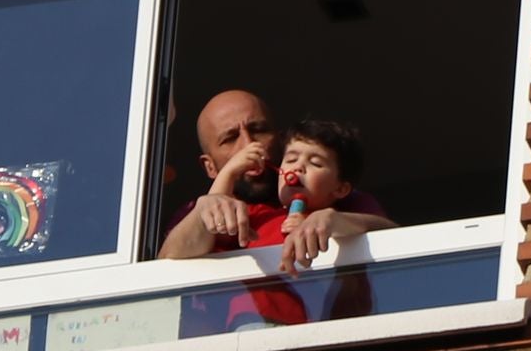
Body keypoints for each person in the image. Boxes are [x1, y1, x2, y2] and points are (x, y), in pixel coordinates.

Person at [169, 118, 395, 329]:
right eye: (291, 159)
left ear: (341, 188)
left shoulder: (346, 210)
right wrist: (228, 174)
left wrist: (334, 221)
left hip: (328, 329)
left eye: (315, 163)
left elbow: (392, 235)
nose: (298, 168)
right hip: (253, 323)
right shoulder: (251, 215)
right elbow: (208, 221)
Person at [158, 90, 390, 267]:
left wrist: (333, 220)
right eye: (230, 138)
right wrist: (209, 202)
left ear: (280, 140)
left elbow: (390, 234)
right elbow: (166, 265)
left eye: (258, 129)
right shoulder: (194, 211)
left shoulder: (334, 197)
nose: (249, 145)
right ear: (209, 167)